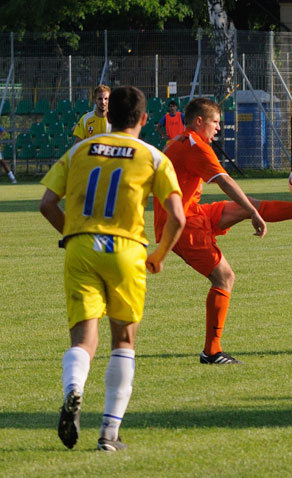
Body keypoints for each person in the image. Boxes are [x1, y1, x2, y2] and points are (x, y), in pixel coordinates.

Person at [40, 86, 186, 452]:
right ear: (143, 118)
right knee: (123, 341)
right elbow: (178, 217)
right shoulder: (153, 157)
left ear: (108, 116)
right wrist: (161, 255)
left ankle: (74, 390)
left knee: (83, 340)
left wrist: (74, 235)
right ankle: (108, 434)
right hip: (126, 251)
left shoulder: (78, 150)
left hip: (81, 248)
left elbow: (46, 203)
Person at [153, 97, 292, 365]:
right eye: (215, 122)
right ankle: (212, 352)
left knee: (248, 205)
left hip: (191, 213)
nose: (218, 127)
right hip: (181, 225)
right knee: (224, 277)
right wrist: (252, 213)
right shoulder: (195, 146)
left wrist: (250, 209)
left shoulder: (180, 141)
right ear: (199, 121)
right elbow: (224, 180)